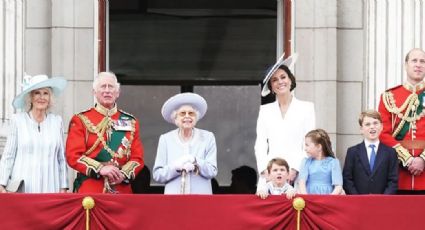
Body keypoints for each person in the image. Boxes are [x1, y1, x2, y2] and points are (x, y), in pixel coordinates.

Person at [66, 72, 144, 193]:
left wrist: (123, 174)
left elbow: (137, 158)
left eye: (111, 87)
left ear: (117, 93)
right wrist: (100, 169)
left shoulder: (131, 121)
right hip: (91, 189)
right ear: (94, 92)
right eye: (103, 86)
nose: (107, 90)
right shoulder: (81, 119)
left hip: (121, 189)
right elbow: (73, 156)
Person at [255, 53, 315, 193]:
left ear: (290, 80)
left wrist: (294, 169)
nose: (280, 82)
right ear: (271, 86)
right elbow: (260, 144)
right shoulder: (265, 111)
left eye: (283, 77)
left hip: (298, 174)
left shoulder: (307, 108)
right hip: (270, 174)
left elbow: (309, 143)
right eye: (275, 80)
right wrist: (265, 171)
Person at [0, 74, 68, 193]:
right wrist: (2, 183)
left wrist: (64, 186)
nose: (41, 97)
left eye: (45, 93)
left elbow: (61, 158)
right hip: (23, 189)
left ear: (50, 98)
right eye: (37, 93)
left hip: (51, 188)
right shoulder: (18, 120)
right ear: (30, 97)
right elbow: (8, 155)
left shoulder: (57, 121)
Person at [378, 48, 425, 194]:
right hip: (398, 175)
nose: (418, 65)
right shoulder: (389, 96)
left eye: (422, 61)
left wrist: (422, 159)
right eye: (414, 61)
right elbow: (382, 133)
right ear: (406, 65)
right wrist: (408, 159)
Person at [153, 92, 218, 194]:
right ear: (175, 118)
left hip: (201, 200)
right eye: (182, 113)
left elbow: (212, 171)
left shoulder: (208, 137)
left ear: (196, 117)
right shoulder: (165, 139)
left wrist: (196, 161)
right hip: (173, 201)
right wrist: (175, 167)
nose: (187, 116)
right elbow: (158, 175)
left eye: (191, 113)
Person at [343, 110, 398, 194]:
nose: (372, 127)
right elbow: (347, 179)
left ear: (381, 126)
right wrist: (357, 199)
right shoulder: (352, 152)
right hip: (358, 202)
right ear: (361, 129)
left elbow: (393, 181)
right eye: (367, 124)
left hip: (382, 203)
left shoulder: (390, 152)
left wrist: (384, 199)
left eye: (375, 123)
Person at [298, 129, 343, 195]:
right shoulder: (306, 162)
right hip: (309, 199)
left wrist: (328, 199)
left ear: (319, 147)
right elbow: (302, 183)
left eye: (307, 145)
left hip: (328, 199)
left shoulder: (333, 162)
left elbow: (338, 186)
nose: (305, 148)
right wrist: (306, 198)